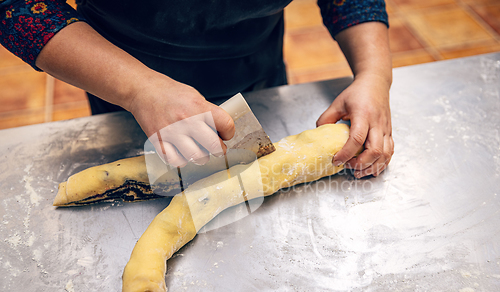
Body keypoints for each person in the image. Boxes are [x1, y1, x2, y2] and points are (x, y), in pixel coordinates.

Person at [0, 0, 394, 178]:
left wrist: (374, 74)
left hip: (257, 72)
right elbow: (16, 5)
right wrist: (140, 89)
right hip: (119, 74)